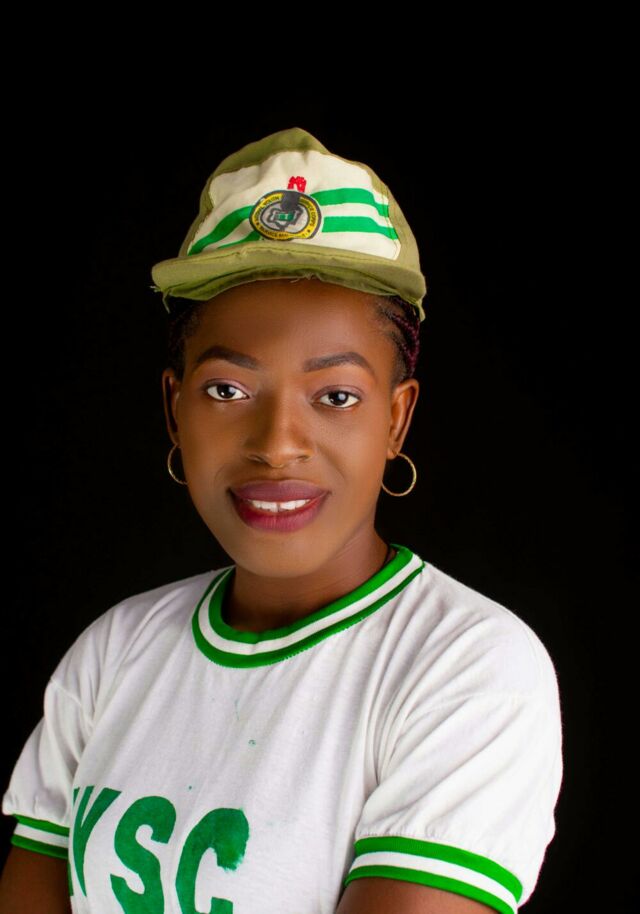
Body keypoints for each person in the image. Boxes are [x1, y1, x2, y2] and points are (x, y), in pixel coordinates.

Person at [0, 127, 563, 914]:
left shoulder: (467, 666)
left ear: (396, 420)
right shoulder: (116, 651)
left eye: (336, 396)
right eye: (228, 391)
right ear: (174, 408)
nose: (276, 445)